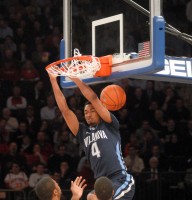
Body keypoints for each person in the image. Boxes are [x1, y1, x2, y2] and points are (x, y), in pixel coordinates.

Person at [48, 73, 135, 200]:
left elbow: (94, 98)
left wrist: (75, 78)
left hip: (119, 178)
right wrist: (53, 80)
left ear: (99, 111)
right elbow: (65, 110)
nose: (88, 115)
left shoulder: (109, 124)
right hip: (101, 183)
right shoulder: (82, 133)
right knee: (90, 197)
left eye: (92, 111)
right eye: (85, 112)